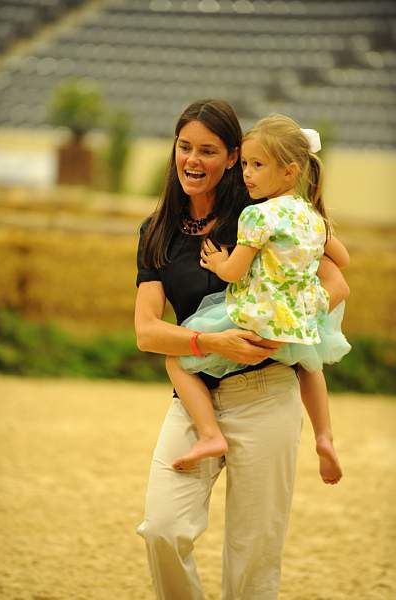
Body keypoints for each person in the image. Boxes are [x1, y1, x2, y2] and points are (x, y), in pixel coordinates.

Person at [135, 99, 349, 600]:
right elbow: (147, 330)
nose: (192, 159)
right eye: (184, 146)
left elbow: (336, 279)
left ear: (232, 157)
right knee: (163, 529)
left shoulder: (262, 212)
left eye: (208, 150)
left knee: (254, 558)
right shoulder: (156, 230)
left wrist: (287, 327)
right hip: (195, 395)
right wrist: (213, 341)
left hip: (267, 393)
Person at [166, 114, 351, 486]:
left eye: (257, 165)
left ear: (289, 171)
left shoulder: (257, 215)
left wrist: (218, 261)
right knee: (308, 361)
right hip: (300, 318)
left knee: (177, 354)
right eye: (246, 163)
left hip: (259, 314)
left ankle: (208, 433)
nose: (247, 174)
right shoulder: (314, 217)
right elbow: (342, 261)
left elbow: (234, 272)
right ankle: (324, 435)